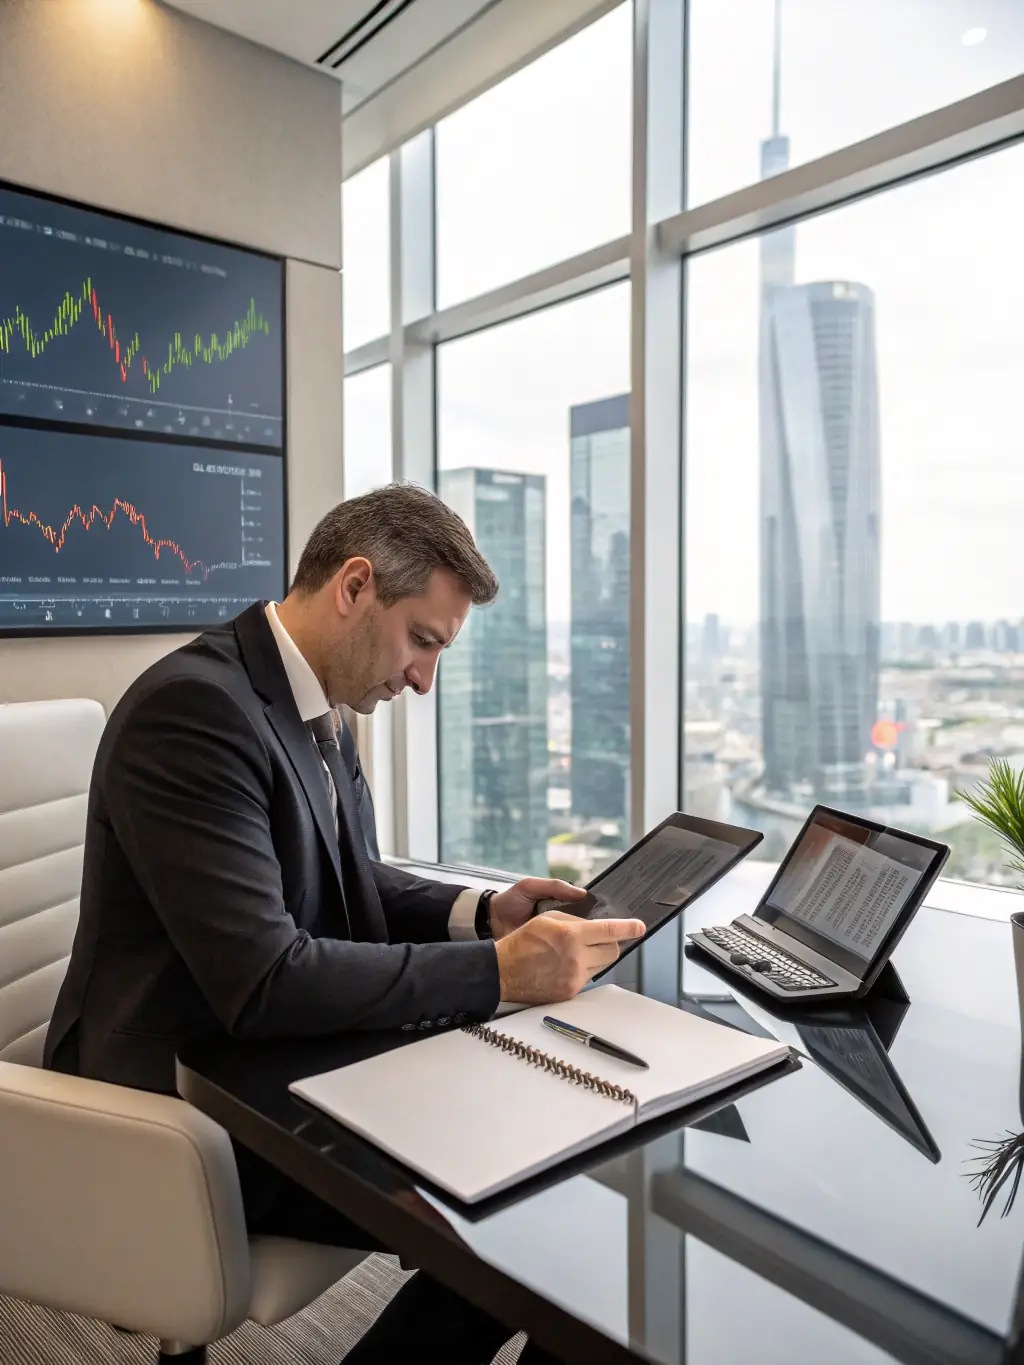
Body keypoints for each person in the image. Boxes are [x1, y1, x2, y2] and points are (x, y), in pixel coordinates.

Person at [44, 482, 645, 1364]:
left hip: (270, 1061)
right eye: (423, 640)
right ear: (355, 586)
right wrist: (503, 972)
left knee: (543, 1182)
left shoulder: (314, 705)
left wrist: (485, 914)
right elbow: (267, 979)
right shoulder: (195, 712)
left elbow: (343, 876)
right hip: (176, 1101)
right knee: (531, 1207)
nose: (423, 678)